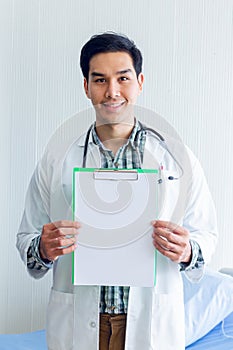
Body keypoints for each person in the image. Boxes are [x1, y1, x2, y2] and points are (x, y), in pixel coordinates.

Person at [17, 32, 218, 350]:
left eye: (122, 78)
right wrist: (43, 247)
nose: (112, 91)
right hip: (79, 322)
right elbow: (27, 238)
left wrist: (188, 251)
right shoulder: (57, 160)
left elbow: (205, 235)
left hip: (151, 323)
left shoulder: (178, 159)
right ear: (86, 87)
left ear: (139, 82)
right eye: (99, 80)